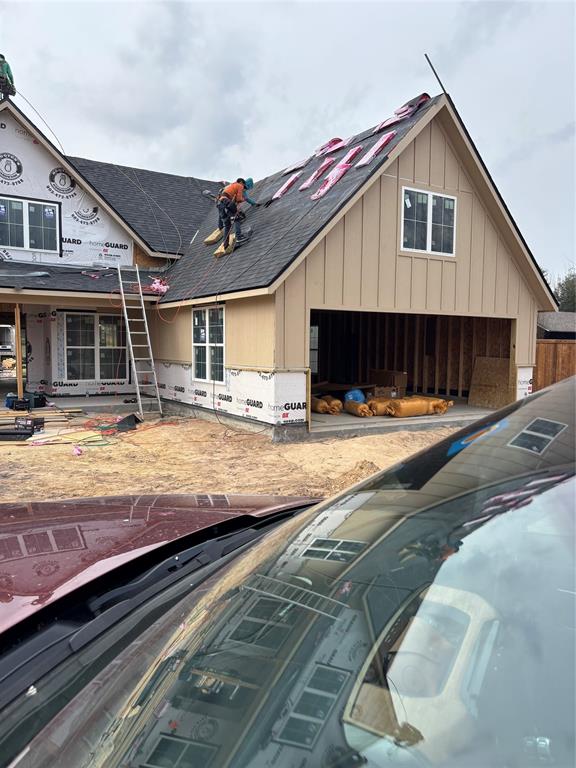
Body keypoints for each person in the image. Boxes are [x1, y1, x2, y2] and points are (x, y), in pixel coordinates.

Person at [217, 177, 258, 249]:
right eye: (244, 187)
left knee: (227, 225)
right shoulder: (240, 185)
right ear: (242, 183)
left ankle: (225, 245)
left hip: (221, 205)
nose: (244, 188)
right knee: (237, 219)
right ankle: (239, 237)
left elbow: (234, 201)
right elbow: (239, 199)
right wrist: (243, 199)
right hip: (226, 202)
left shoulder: (232, 186)